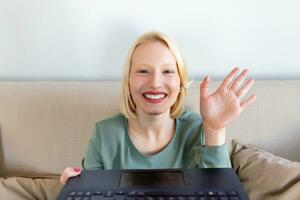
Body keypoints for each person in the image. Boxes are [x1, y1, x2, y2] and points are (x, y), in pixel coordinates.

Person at [60, 31, 256, 185]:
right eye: (143, 71)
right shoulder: (104, 134)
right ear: (128, 81)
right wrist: (74, 188)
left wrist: (214, 129)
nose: (155, 82)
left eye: (168, 71)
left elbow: (219, 193)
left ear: (180, 82)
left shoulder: (199, 130)